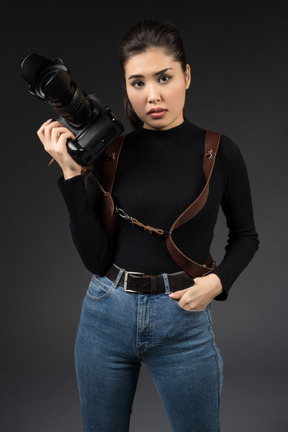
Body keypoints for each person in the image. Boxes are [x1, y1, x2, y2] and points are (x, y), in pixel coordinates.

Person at [37, 19, 259, 432]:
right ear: (125, 88)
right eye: (137, 83)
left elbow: (246, 237)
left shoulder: (220, 151)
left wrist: (217, 283)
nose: (152, 95)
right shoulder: (109, 152)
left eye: (164, 77)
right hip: (106, 316)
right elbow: (95, 258)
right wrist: (71, 174)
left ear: (186, 76)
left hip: (184, 321)